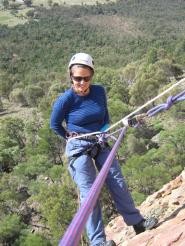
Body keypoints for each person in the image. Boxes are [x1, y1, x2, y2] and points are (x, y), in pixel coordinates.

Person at [50, 53, 158, 246]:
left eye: (86, 78)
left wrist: (103, 131)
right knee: (90, 194)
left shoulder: (99, 91)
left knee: (117, 180)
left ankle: (137, 223)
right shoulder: (65, 99)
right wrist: (69, 136)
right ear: (70, 77)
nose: (82, 83)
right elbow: (55, 124)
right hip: (79, 147)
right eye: (77, 78)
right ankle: (98, 242)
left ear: (92, 76)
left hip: (100, 140)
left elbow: (104, 117)